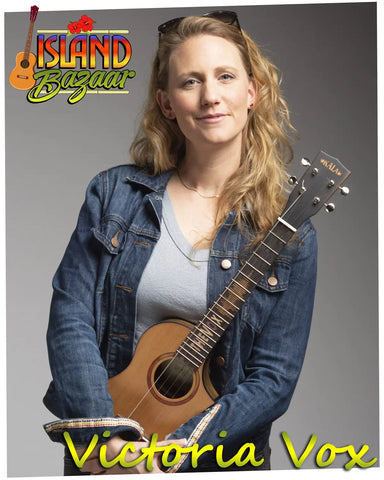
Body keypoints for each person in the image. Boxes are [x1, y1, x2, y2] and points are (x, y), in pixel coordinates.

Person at [43, 11, 317, 475]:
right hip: (107, 456)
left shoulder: (288, 233)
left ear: (252, 92)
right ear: (167, 103)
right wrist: (105, 436)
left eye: (225, 76)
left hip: (218, 461)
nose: (210, 96)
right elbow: (70, 318)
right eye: (190, 82)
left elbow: (274, 379)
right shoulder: (114, 196)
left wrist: (180, 446)